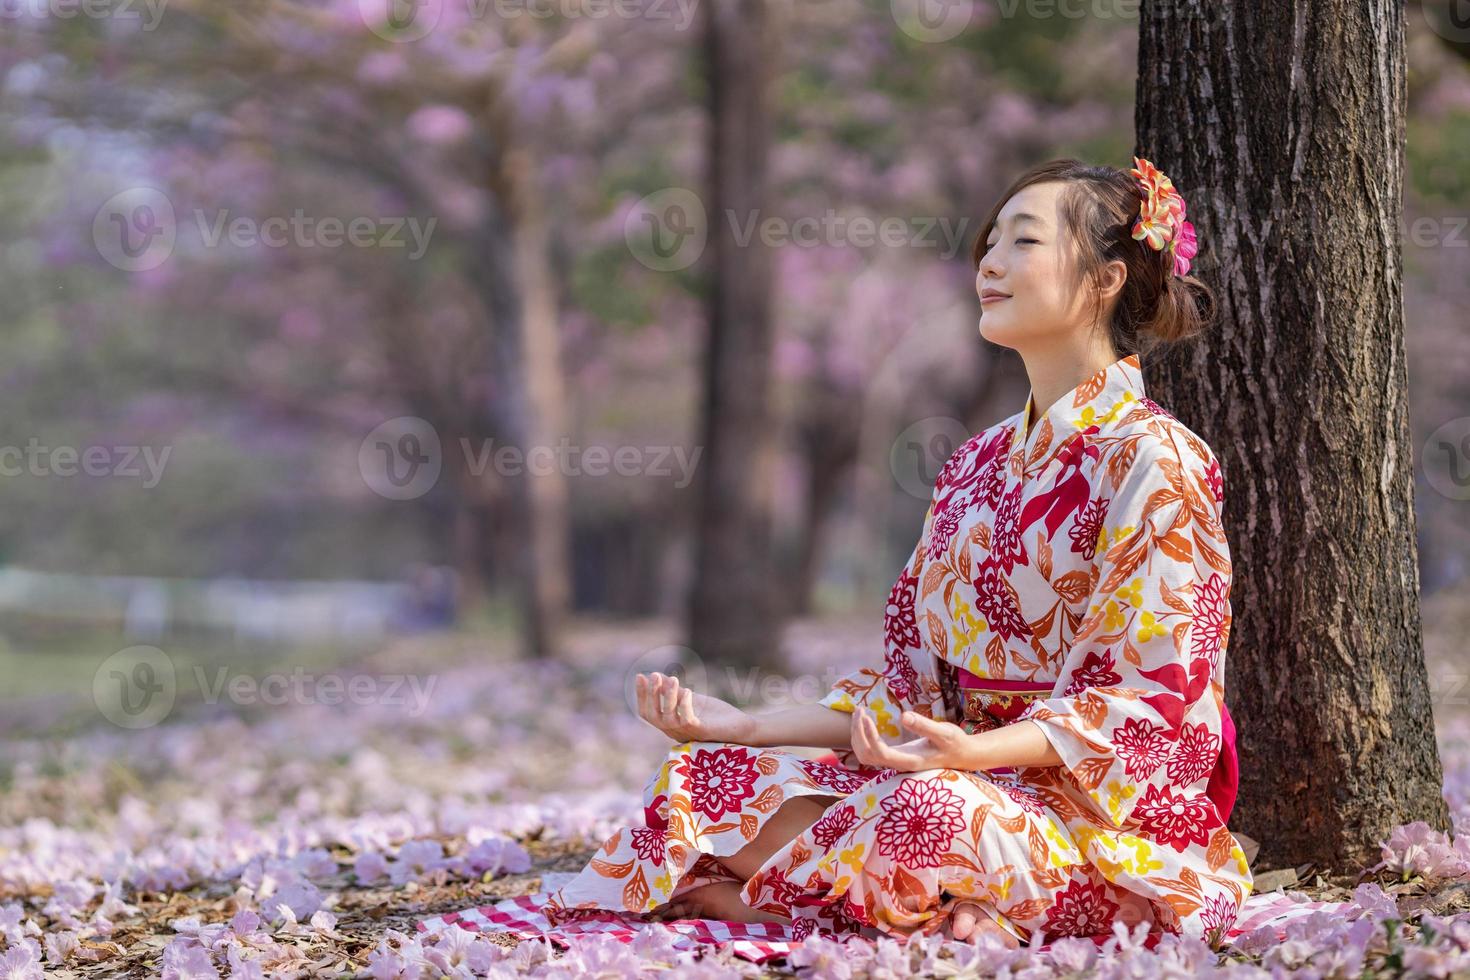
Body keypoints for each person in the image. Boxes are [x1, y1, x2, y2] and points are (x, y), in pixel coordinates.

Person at [541, 157, 1253, 948]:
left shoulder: (1157, 461)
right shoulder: (975, 462)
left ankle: (799, 896)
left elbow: (1147, 698)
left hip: (1092, 818)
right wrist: (745, 727)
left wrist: (975, 754)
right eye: (990, 242)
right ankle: (933, 908)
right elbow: (906, 696)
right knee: (700, 781)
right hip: (955, 778)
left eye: (1023, 241)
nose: (988, 262)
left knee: (928, 812)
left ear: (1106, 278)